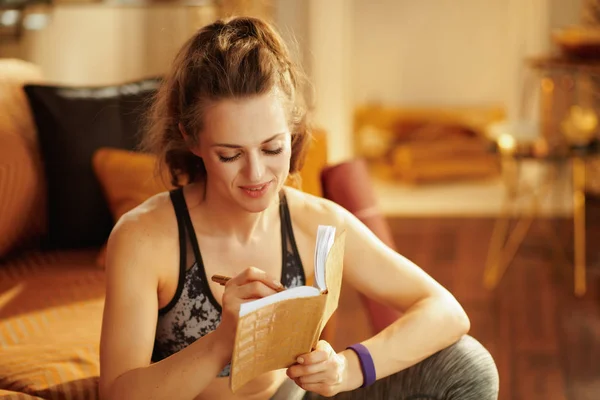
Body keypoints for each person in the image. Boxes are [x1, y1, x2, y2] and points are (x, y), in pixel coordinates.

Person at [98, 15, 499, 400]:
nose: (257, 174)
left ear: (292, 130)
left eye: (272, 148)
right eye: (229, 154)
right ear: (192, 139)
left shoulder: (315, 223)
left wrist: (347, 369)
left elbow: (446, 311)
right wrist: (223, 341)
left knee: (468, 365)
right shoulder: (145, 238)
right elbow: (117, 394)